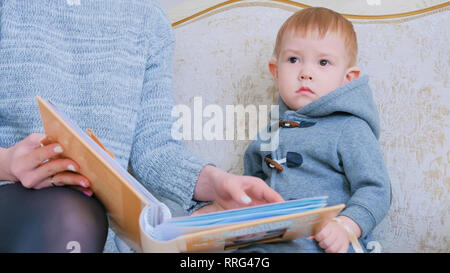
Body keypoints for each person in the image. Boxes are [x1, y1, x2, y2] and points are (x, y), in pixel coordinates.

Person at [0, 0, 282, 253]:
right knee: (69, 217)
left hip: (91, 221)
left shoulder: (147, 20)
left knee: (76, 218)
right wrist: (8, 163)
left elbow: (155, 149)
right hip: (12, 194)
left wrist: (217, 184)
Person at [240, 7, 391, 253]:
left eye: (323, 62)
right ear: (275, 71)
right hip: (269, 239)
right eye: (293, 60)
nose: (305, 73)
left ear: (348, 78)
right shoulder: (269, 130)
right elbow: (252, 183)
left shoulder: (350, 127)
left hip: (325, 242)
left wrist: (346, 227)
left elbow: (375, 189)